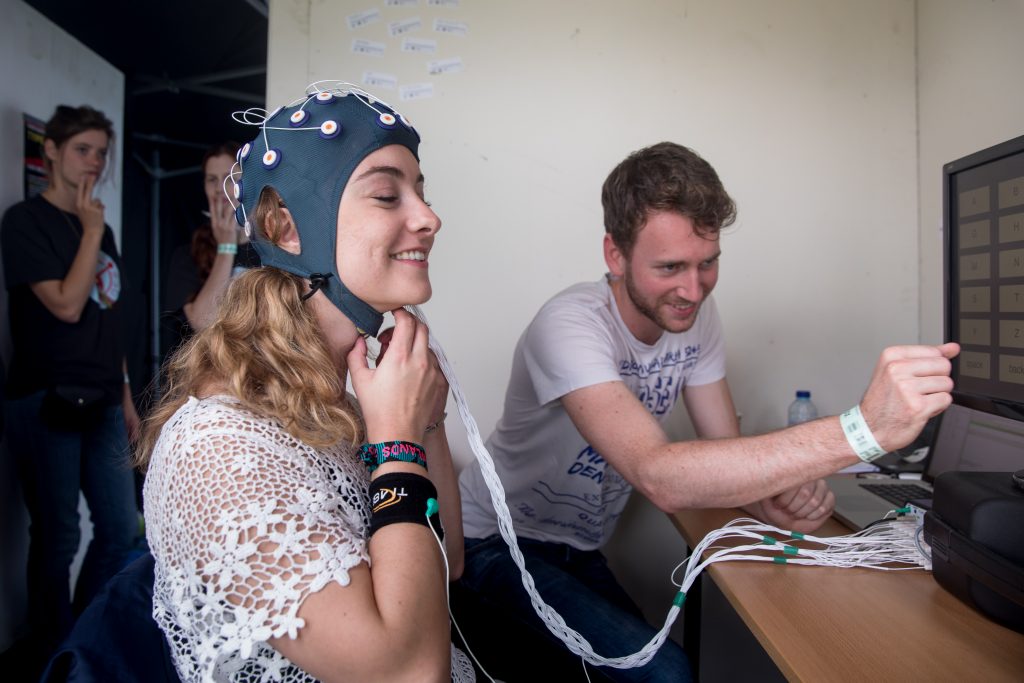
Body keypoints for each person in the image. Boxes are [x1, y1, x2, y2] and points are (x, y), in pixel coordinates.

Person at [455, 142, 959, 681]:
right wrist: (863, 430)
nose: (692, 291)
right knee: (669, 674)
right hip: (494, 545)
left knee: (688, 662)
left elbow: (722, 445)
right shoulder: (570, 324)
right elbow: (659, 475)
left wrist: (769, 502)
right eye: (670, 267)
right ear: (614, 254)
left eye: (708, 263)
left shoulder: (696, 313)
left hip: (579, 551)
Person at [137, 83, 474, 682]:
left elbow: (446, 568)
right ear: (287, 228)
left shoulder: (329, 405)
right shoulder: (218, 450)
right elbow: (409, 672)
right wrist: (395, 437)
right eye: (386, 194)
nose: (430, 218)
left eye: (420, 192)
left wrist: (423, 422)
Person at [1, 104, 140, 675]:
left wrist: (128, 396)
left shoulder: (100, 227)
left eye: (102, 153)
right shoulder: (24, 220)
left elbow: (109, 318)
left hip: (105, 397)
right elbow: (65, 302)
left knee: (116, 528)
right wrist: (87, 231)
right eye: (83, 150)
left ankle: (79, 641)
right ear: (52, 151)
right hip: (46, 397)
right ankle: (50, 654)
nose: (95, 162)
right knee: (58, 535)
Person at [163, 141, 260, 352]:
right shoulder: (187, 255)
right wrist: (226, 247)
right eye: (212, 180)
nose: (219, 189)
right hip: (211, 376)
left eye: (229, 178)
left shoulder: (271, 249)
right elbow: (202, 322)